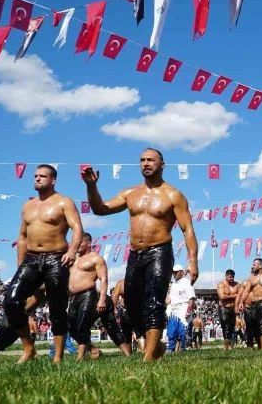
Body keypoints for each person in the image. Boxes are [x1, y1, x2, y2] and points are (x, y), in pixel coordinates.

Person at [82, 148, 198, 361]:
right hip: (135, 254)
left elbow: (187, 229)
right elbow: (100, 209)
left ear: (162, 165)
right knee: (131, 306)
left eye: (151, 160)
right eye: (142, 160)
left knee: (154, 301)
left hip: (160, 252)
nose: (146, 163)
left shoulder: (173, 195)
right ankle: (157, 347)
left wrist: (193, 260)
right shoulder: (130, 193)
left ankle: (149, 357)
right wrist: (91, 186)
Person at [0, 164, 83, 363]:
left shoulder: (64, 202)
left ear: (53, 180)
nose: (37, 179)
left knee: (57, 308)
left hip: (56, 258)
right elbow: (21, 237)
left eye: (42, 176)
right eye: (35, 176)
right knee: (11, 302)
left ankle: (58, 358)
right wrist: (21, 265)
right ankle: (29, 349)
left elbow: (77, 228)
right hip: (31, 259)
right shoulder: (28, 206)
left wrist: (72, 250)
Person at [67, 232, 109, 361]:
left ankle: (80, 357)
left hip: (88, 294)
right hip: (73, 297)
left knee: (82, 324)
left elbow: (103, 279)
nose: (76, 245)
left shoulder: (96, 258)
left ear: (88, 243)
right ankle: (92, 349)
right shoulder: (73, 258)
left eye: (80, 242)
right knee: (70, 326)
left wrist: (102, 299)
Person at [235, 258, 262, 350]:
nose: (252, 266)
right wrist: (241, 302)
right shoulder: (251, 278)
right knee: (255, 327)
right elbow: (246, 291)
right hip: (253, 304)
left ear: (260, 265)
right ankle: (259, 346)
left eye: (254, 264)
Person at [166, 265, 196, 353]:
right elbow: (169, 299)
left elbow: (191, 298)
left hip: (183, 307)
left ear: (181, 272)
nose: (173, 274)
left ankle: (183, 348)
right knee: (171, 330)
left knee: (182, 331)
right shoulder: (174, 284)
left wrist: (188, 310)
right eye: (173, 272)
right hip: (173, 308)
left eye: (176, 272)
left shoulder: (186, 283)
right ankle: (170, 348)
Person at [216, 269, 240, 351]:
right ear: (226, 276)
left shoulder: (236, 285)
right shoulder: (221, 284)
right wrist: (234, 296)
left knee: (231, 326)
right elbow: (222, 297)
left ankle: (227, 343)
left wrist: (236, 298)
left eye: (233, 277)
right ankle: (227, 345)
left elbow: (241, 295)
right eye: (230, 277)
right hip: (223, 308)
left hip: (233, 308)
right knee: (225, 326)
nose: (232, 279)